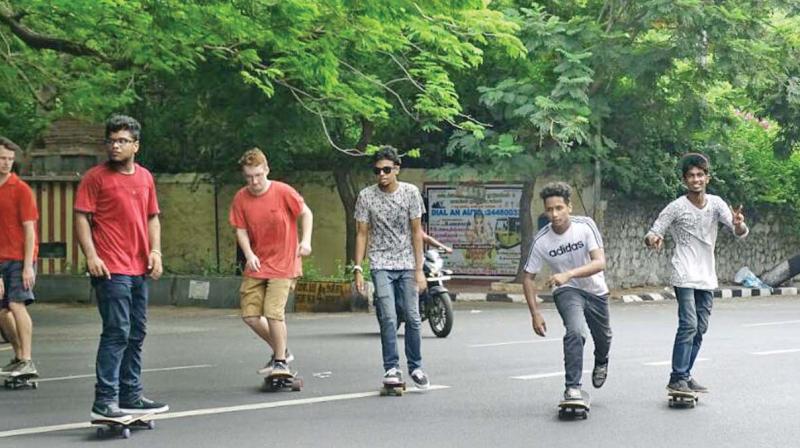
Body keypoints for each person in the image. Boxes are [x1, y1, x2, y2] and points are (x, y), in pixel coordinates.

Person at [75, 115, 167, 420]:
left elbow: (152, 216)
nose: (115, 146)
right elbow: (81, 218)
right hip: (110, 268)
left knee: (136, 332)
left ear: (136, 145)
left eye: (122, 141)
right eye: (111, 140)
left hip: (139, 266)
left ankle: (131, 396)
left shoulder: (145, 178)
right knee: (117, 331)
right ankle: (105, 400)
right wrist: (91, 255)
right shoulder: (95, 178)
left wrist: (155, 251)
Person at [645, 153, 748, 394]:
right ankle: (678, 377)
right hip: (683, 273)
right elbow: (653, 232)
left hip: (706, 275)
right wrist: (654, 240)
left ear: (707, 178)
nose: (696, 179)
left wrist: (738, 223)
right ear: (684, 180)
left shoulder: (716, 204)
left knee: (700, 328)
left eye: (700, 175)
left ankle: (684, 375)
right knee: (688, 324)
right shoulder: (676, 207)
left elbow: (739, 231)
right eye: (691, 176)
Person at [521, 181, 612, 401]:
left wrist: (568, 274)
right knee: (575, 332)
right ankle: (572, 387)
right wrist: (535, 313)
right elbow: (527, 278)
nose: (554, 214)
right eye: (549, 209)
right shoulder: (541, 240)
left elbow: (600, 263)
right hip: (567, 292)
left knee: (604, 338)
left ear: (569, 207)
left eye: (559, 208)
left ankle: (601, 360)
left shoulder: (585, 226)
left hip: (596, 290)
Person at [229, 148, 313, 377]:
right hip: (258, 263)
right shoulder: (241, 198)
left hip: (285, 263)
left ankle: (280, 362)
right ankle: (282, 350)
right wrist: (249, 254)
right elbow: (241, 229)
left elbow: (306, 213)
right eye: (249, 177)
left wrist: (305, 241)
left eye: (258, 175)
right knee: (251, 316)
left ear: (266, 170)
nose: (254, 181)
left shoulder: (283, 191)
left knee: (274, 313)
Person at [353, 146, 430, 389]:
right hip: (380, 263)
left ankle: (416, 367)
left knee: (413, 317)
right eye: (377, 171)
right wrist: (358, 268)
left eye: (387, 170)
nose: (382, 175)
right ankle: (392, 368)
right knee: (388, 316)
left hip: (407, 262)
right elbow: (362, 234)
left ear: (396, 169)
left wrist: (419, 270)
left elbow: (417, 232)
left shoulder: (410, 193)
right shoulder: (366, 196)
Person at [0, 136, 39, 378]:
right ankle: (18, 356)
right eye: (2, 158)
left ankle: (27, 359)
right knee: (2, 312)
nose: (6, 163)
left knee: (16, 303)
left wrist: (28, 267)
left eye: (10, 159)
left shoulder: (21, 189)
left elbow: (30, 230)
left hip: (19, 257)